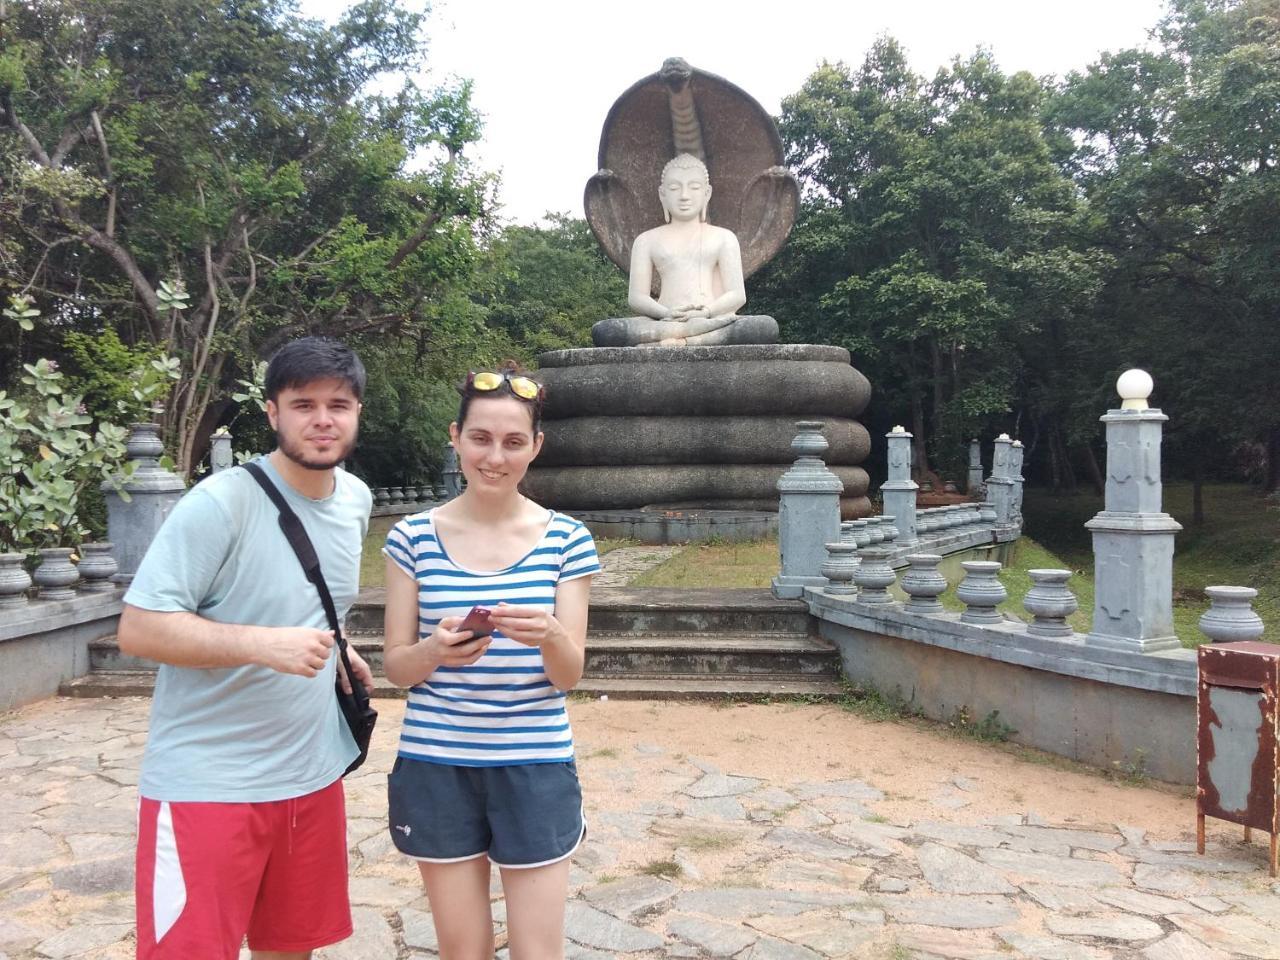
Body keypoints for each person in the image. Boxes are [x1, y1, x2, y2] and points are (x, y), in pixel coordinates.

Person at [117, 337, 375, 960]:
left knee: (291, 948)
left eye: (338, 404)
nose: (322, 419)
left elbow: (310, 601)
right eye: (303, 403)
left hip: (311, 777)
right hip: (210, 784)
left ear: (357, 412)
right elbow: (140, 629)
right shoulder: (219, 503)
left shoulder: (355, 500)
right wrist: (261, 645)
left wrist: (342, 645)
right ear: (272, 412)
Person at [382, 364, 600, 960]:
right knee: (463, 951)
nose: (494, 457)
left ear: (536, 446)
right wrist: (433, 650)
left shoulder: (567, 539)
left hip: (534, 763)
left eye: (512, 442)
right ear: (455, 437)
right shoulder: (411, 538)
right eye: (480, 438)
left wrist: (552, 636)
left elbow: (568, 675)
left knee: (537, 953)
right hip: (437, 763)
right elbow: (397, 668)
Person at [590, 153, 777, 347]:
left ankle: (681, 340)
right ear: (662, 194)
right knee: (607, 331)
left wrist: (706, 312)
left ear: (707, 193)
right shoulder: (646, 240)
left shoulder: (724, 237)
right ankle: (693, 339)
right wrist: (666, 313)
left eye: (694, 187)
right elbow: (636, 297)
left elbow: (737, 295)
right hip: (664, 319)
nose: (684, 195)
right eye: (674, 188)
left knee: (763, 327)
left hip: (710, 319)